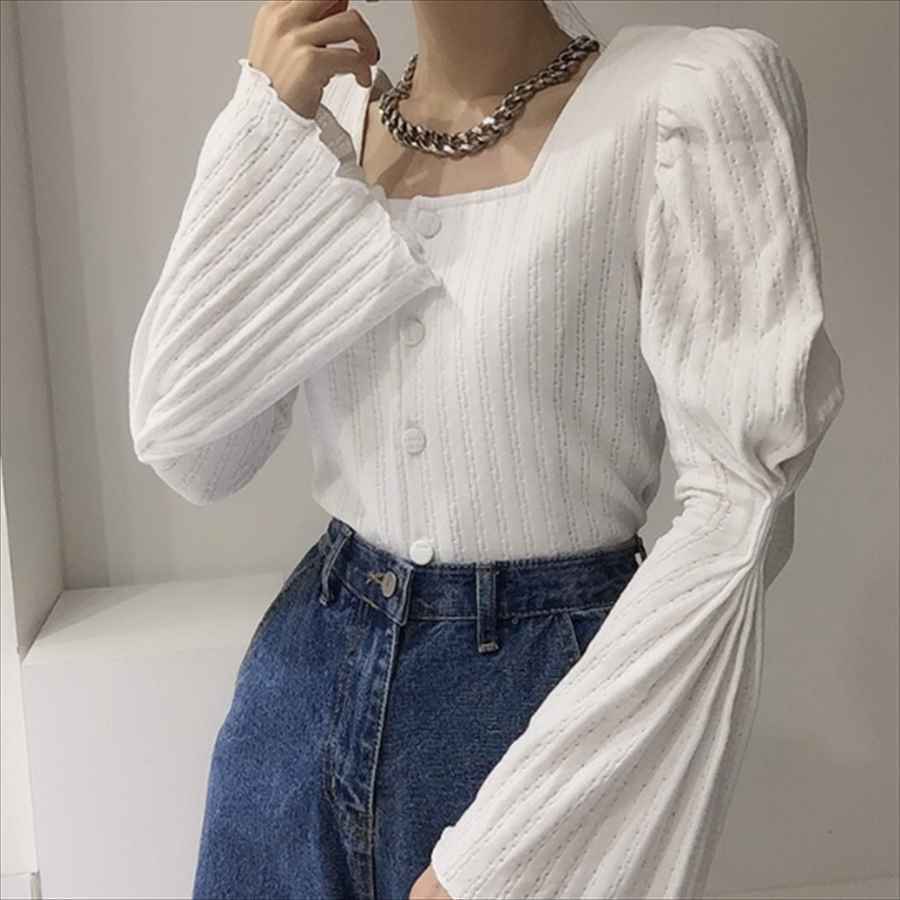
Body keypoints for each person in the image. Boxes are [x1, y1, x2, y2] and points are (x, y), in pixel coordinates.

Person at [127, 0, 846, 897]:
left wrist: (501, 857)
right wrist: (262, 125)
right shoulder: (324, 119)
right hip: (300, 699)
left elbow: (741, 512)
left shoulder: (677, 103)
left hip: (536, 712)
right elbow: (190, 448)